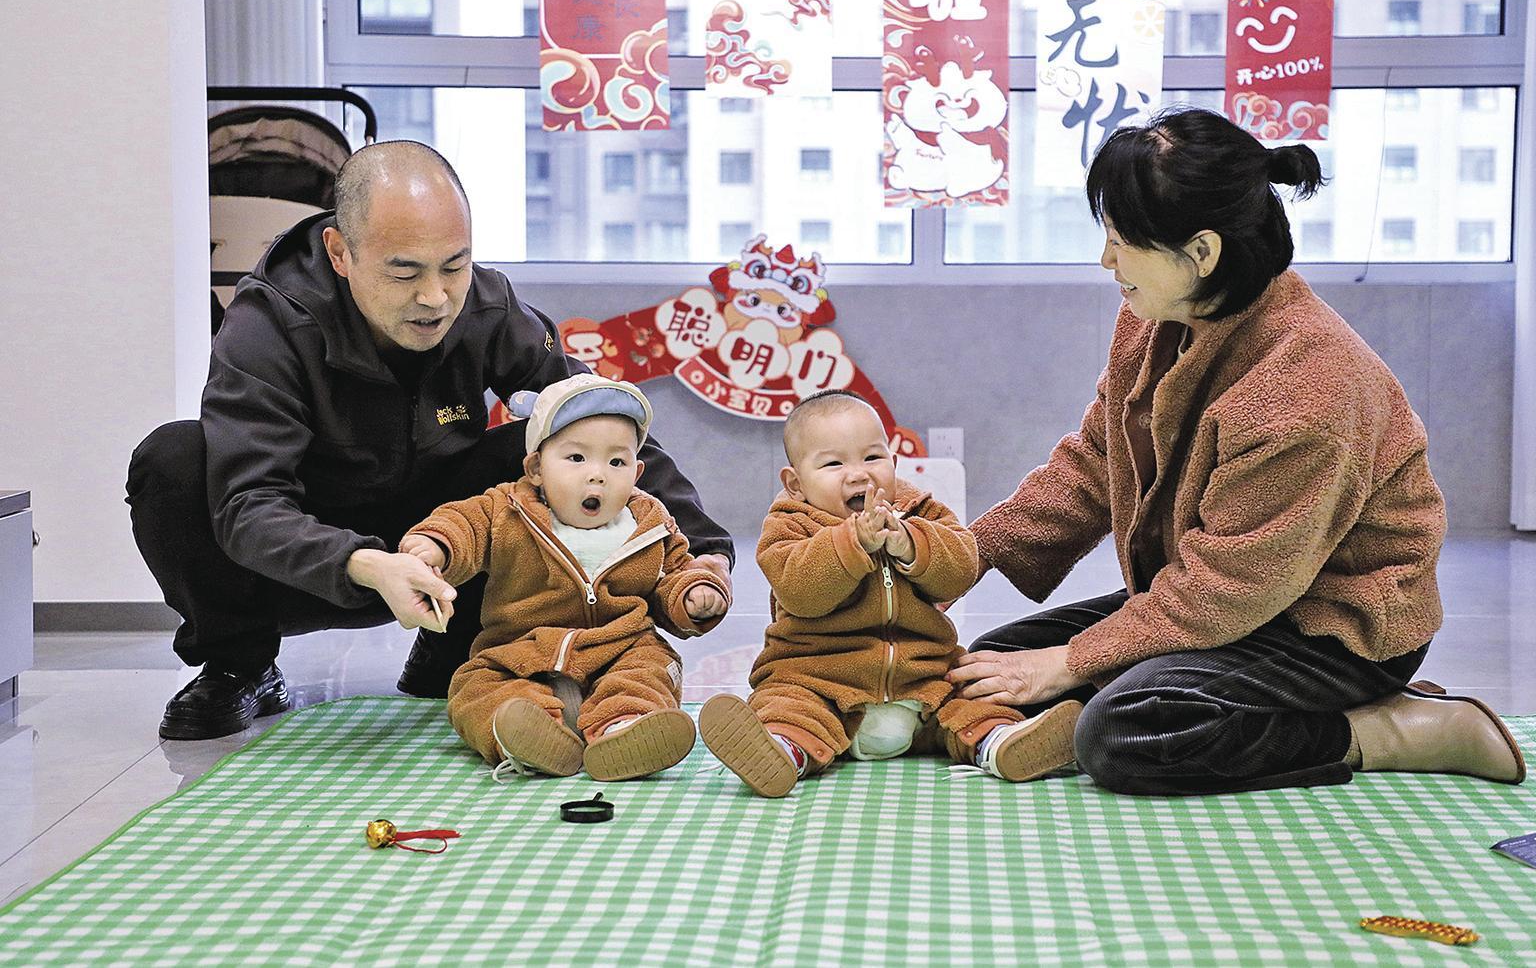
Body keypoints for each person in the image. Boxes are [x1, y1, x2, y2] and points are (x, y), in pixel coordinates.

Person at [949, 108, 1525, 796]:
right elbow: (1096, 461)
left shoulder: (1305, 387)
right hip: (1223, 593)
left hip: (1331, 626)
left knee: (1120, 732)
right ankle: (1155, 703)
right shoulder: (1156, 318)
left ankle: (1393, 729)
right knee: (992, 665)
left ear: (1202, 253)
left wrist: (1073, 662)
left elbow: (1232, 587)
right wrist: (959, 555)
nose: (1106, 261)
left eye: (1122, 242)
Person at [126, 141, 732, 741]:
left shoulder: (488, 308)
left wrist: (706, 551)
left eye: (454, 266)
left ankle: (459, 649)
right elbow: (248, 504)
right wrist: (363, 563)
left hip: (445, 549)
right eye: (404, 271)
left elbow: (597, 420)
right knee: (173, 460)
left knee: (543, 446)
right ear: (340, 253)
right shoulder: (269, 324)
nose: (435, 298)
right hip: (305, 562)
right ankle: (239, 665)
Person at [699, 390, 1080, 798]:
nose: (859, 474)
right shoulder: (789, 526)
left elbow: (961, 570)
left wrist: (913, 544)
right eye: (833, 463)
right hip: (820, 680)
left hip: (923, 681)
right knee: (788, 707)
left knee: (971, 699)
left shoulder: (921, 512)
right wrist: (852, 544)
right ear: (795, 483)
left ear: (894, 463)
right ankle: (781, 752)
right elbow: (799, 591)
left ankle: (1002, 743)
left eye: (872, 457)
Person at [401, 374, 731, 781]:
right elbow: (465, 525)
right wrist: (436, 545)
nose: (598, 475)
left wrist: (694, 592)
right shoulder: (507, 511)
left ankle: (624, 727)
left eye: (617, 462)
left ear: (637, 472)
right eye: (576, 458)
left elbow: (675, 571)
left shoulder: (649, 523)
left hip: (619, 647)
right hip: (522, 652)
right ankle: (525, 733)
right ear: (536, 468)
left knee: (650, 668)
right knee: (476, 686)